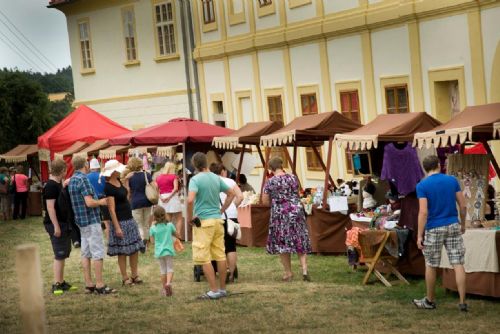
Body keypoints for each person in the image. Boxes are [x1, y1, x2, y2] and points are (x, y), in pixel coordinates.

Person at [413, 155, 467, 312]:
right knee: (458, 263)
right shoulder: (451, 180)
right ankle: (462, 302)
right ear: (439, 164)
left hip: (434, 227)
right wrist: (462, 224)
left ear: (425, 168)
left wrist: (419, 236)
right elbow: (463, 205)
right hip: (452, 224)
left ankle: (430, 300)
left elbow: (423, 212)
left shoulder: (422, 185)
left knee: (430, 264)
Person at [187, 152, 236, 300]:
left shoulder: (195, 179)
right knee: (220, 255)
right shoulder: (216, 177)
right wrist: (222, 210)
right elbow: (231, 194)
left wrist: (191, 217)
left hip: (203, 221)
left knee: (203, 257)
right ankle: (222, 289)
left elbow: (190, 200)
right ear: (206, 163)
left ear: (195, 165)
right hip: (217, 220)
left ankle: (213, 291)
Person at [68, 155, 116, 295]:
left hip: (81, 222)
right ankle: (100, 285)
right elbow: (89, 202)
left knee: (86, 253)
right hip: (91, 221)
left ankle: (89, 284)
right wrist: (101, 202)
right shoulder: (83, 179)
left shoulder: (72, 180)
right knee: (97, 253)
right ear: (85, 165)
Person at [261, 156, 312, 282]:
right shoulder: (293, 177)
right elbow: (297, 192)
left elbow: (265, 200)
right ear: (281, 165)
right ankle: (304, 270)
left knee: (282, 243)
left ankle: (288, 273)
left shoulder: (270, 182)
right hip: (296, 212)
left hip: (280, 214)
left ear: (270, 168)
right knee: (300, 238)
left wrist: (275, 202)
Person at [102, 159, 143, 286]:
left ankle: (134, 275)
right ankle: (125, 278)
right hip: (120, 221)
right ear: (113, 172)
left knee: (134, 249)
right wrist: (117, 227)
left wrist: (125, 181)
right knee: (123, 251)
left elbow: (125, 196)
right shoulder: (108, 187)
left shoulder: (119, 181)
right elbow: (111, 209)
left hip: (129, 219)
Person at [42, 158, 77, 295]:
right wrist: (56, 226)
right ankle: (56, 284)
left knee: (63, 253)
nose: (66, 173)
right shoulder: (50, 186)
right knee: (59, 254)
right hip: (55, 224)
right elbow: (50, 208)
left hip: (63, 223)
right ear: (62, 170)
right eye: (65, 171)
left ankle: (61, 282)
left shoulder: (57, 183)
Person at [209, 162, 243, 283]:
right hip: (231, 216)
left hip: (215, 216)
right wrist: (233, 206)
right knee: (231, 246)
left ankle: (216, 271)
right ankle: (231, 273)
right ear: (222, 171)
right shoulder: (231, 182)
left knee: (215, 245)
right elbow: (240, 197)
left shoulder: (210, 182)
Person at [125, 157, 155, 251]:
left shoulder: (130, 176)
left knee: (138, 224)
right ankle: (145, 244)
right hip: (147, 201)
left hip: (135, 202)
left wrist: (126, 180)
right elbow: (155, 185)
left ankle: (141, 241)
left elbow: (128, 191)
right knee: (146, 224)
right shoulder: (147, 174)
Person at [149, 206, 177, 296]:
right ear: (164, 214)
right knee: (170, 268)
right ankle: (169, 284)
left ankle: (164, 289)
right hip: (168, 251)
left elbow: (152, 241)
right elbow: (177, 234)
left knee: (162, 270)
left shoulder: (153, 228)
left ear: (154, 216)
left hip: (159, 252)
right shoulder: (169, 225)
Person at [156, 162, 183, 236]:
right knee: (179, 217)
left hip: (162, 197)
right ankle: (178, 235)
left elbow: (157, 189)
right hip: (172, 197)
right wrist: (169, 197)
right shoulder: (174, 176)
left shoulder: (158, 177)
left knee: (168, 219)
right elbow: (175, 189)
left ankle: (168, 236)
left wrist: (161, 197)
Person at [87, 158, 110, 240]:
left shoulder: (86, 177)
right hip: (103, 199)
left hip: (92, 200)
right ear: (97, 167)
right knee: (107, 222)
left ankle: (96, 240)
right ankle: (109, 241)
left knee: (94, 222)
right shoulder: (102, 176)